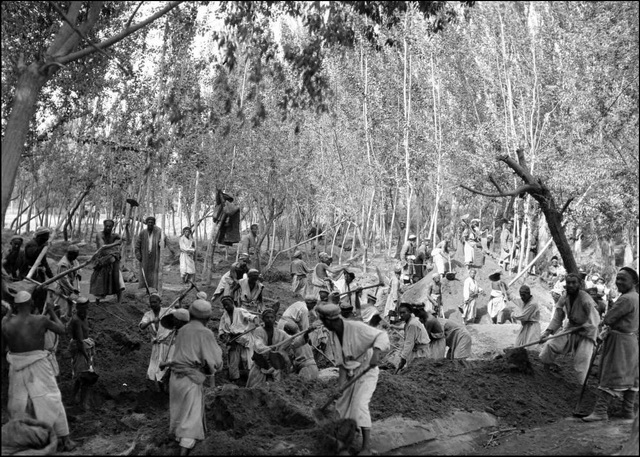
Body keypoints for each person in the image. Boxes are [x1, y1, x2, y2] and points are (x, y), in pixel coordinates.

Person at [2, 291, 77, 452]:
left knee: (19, 404)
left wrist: (8, 315)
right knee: (52, 399)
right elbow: (62, 329)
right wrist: (50, 311)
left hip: (16, 367)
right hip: (39, 366)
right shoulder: (41, 320)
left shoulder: (6, 323)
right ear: (30, 304)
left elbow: (4, 346)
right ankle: (65, 439)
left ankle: (25, 440)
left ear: (16, 306)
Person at [316, 303, 390, 455]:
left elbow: (381, 335)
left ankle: (366, 448)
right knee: (341, 406)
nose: (324, 325)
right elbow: (342, 364)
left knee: (360, 405)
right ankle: (344, 444)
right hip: (351, 372)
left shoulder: (356, 327)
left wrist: (376, 352)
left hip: (367, 370)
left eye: (323, 322)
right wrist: (340, 387)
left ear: (329, 321)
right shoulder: (334, 334)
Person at [583, 267, 639, 423]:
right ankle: (628, 412)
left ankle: (600, 411)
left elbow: (608, 319)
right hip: (631, 341)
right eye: (618, 278)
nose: (619, 282)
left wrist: (598, 324)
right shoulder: (636, 297)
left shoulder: (626, 299)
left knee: (611, 373)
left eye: (623, 279)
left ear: (634, 282)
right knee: (631, 376)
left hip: (619, 342)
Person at [169, 299, 223, 456]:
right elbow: (215, 360)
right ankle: (183, 452)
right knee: (191, 417)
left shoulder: (183, 330)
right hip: (190, 379)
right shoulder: (205, 333)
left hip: (175, 377)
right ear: (207, 319)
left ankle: (179, 441)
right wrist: (211, 366)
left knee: (180, 412)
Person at [539, 273, 601, 384]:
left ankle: (581, 386)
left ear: (579, 284)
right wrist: (547, 332)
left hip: (587, 332)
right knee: (550, 344)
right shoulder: (564, 297)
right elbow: (558, 317)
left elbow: (595, 320)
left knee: (582, 360)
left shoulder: (586, 299)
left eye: (574, 283)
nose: (571, 285)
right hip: (571, 327)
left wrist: (582, 327)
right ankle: (545, 371)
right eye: (568, 283)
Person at [246, 308, 296, 388]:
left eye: (272, 317)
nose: (269, 319)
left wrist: (306, 335)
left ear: (275, 319)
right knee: (254, 390)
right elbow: (258, 344)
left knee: (275, 390)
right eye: (267, 317)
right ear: (263, 319)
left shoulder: (280, 333)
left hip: (274, 366)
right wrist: (268, 348)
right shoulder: (258, 331)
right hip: (260, 365)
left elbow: (292, 340)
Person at [218, 295, 260, 383]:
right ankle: (235, 379)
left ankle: (250, 379)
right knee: (233, 360)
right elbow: (221, 329)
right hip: (232, 340)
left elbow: (251, 317)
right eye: (224, 305)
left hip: (244, 338)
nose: (226, 307)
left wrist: (255, 321)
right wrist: (223, 336)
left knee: (247, 360)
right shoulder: (224, 316)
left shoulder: (240, 311)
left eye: (228, 304)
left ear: (232, 303)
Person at [139, 293, 173, 392]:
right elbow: (142, 326)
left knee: (167, 367)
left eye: (155, 302)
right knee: (154, 369)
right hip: (157, 346)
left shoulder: (167, 311)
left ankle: (169, 389)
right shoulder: (148, 315)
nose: (152, 304)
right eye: (151, 302)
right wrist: (151, 321)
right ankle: (160, 391)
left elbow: (180, 315)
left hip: (168, 345)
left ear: (160, 303)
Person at [68, 297, 95, 410]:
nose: (85, 311)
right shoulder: (76, 320)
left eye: (86, 308)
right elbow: (79, 342)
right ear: (78, 308)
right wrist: (86, 357)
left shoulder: (84, 316)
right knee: (83, 376)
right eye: (83, 308)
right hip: (81, 350)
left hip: (85, 348)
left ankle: (76, 399)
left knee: (83, 377)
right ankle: (81, 403)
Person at [91, 219, 124, 305]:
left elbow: (126, 239)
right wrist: (116, 244)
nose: (108, 228)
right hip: (102, 261)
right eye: (107, 226)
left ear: (113, 227)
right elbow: (102, 247)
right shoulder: (99, 235)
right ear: (104, 226)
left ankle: (119, 302)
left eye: (110, 226)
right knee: (100, 281)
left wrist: (126, 228)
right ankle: (97, 303)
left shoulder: (114, 235)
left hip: (113, 261)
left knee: (118, 281)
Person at [395, 303, 430, 373]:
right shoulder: (410, 322)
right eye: (400, 313)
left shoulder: (412, 324)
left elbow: (409, 343)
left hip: (420, 352)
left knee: (417, 372)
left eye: (404, 313)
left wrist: (403, 358)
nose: (401, 315)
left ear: (410, 312)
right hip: (418, 350)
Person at [135, 216, 165, 293]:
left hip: (155, 255)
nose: (150, 224)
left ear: (154, 223)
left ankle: (155, 289)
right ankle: (146, 289)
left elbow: (164, 241)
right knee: (145, 272)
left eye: (152, 222)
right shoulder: (142, 232)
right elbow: (137, 244)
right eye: (149, 222)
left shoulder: (159, 232)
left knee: (155, 272)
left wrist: (161, 243)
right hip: (144, 256)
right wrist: (138, 254)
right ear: (146, 223)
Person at [54, 244, 80, 318]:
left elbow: (75, 266)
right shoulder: (63, 264)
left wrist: (77, 273)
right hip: (62, 286)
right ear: (70, 254)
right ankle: (58, 318)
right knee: (60, 303)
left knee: (69, 302)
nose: (76, 258)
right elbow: (64, 280)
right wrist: (72, 288)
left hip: (67, 285)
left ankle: (67, 316)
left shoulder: (71, 259)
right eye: (75, 256)